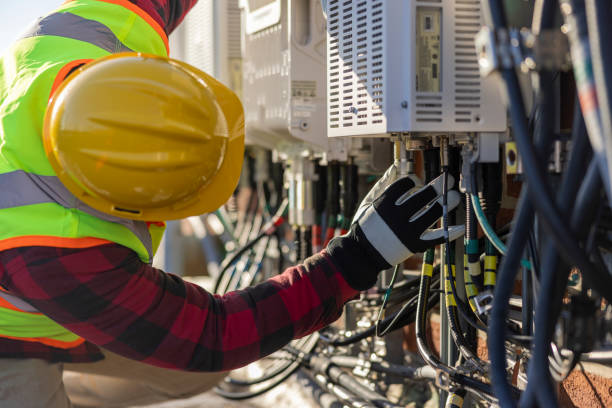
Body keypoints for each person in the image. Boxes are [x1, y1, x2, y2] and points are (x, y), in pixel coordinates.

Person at [0, 0, 462, 406]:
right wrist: (357, 258)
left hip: (55, 300)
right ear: (123, 203)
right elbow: (211, 335)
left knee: (190, 372)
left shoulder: (86, 30)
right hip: (8, 343)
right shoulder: (54, 252)